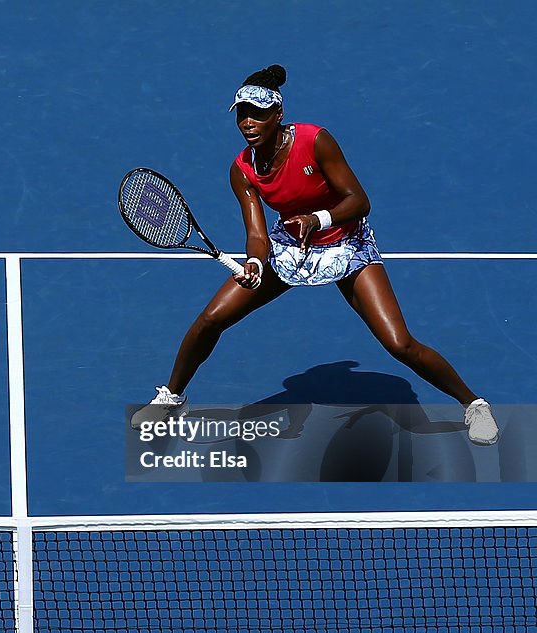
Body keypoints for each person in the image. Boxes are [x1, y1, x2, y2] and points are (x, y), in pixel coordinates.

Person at [132, 65, 499, 446]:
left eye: (257, 114)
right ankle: (173, 398)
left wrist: (317, 218)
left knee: (399, 343)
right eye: (242, 114)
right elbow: (257, 235)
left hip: (346, 244)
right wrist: (256, 263)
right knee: (210, 319)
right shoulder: (242, 170)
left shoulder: (315, 141)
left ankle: (473, 403)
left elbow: (359, 201)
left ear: (278, 115)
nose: (248, 122)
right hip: (288, 247)